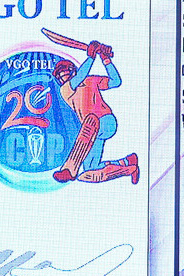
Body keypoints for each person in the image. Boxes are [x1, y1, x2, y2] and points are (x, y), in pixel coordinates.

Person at [51, 40, 138, 184]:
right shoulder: (65, 90)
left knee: (91, 119)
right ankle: (128, 165)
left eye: (65, 72)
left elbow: (115, 81)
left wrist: (106, 59)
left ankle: (70, 169)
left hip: (105, 121)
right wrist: (91, 57)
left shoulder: (91, 80)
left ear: (71, 71)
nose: (64, 75)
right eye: (61, 74)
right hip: (91, 133)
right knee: (90, 170)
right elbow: (80, 76)